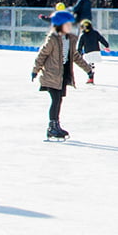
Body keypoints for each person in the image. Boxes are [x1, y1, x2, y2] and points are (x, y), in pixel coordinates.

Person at [32, 10, 90, 141]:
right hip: (52, 74)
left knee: (59, 100)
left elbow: (74, 55)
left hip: (62, 75)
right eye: (67, 24)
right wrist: (35, 70)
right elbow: (42, 55)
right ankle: (52, 126)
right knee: (56, 99)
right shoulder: (52, 39)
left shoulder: (70, 39)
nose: (70, 26)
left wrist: (87, 69)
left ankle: (56, 125)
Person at [76, 20, 110, 84]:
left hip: (88, 53)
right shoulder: (95, 33)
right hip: (96, 51)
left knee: (89, 65)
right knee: (91, 64)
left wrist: (79, 52)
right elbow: (102, 39)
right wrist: (106, 45)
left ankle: (90, 77)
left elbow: (80, 45)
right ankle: (91, 76)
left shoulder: (83, 35)